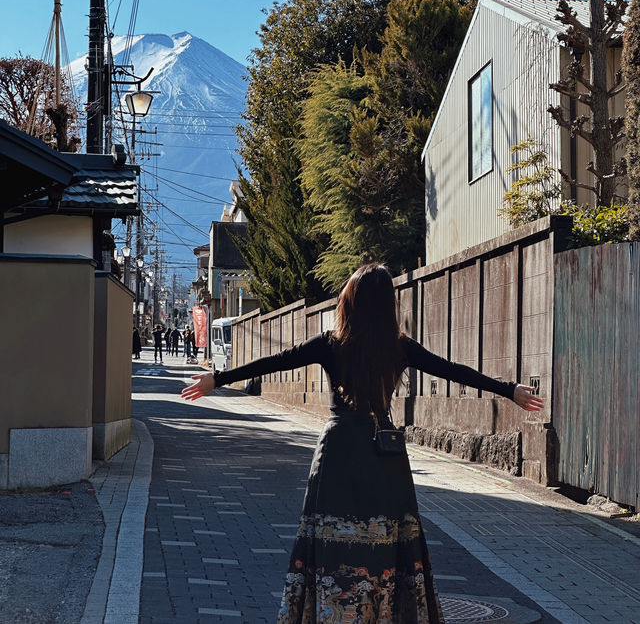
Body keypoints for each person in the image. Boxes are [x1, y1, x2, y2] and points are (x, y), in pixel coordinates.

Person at [183, 263, 543, 621]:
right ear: (389, 305)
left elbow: (277, 361)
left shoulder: (331, 344)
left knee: (328, 536)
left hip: (337, 451)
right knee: (386, 541)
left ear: (349, 301)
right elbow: (451, 369)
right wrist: (508, 390)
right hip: (383, 455)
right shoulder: (400, 348)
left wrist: (218, 378)